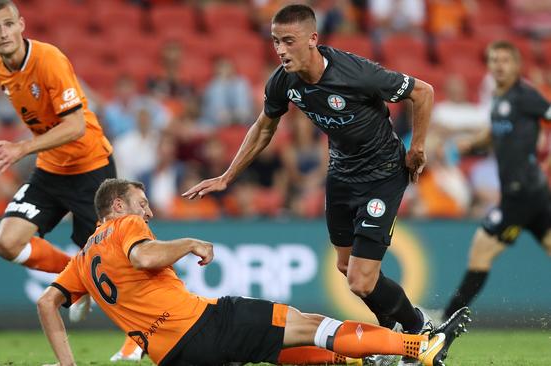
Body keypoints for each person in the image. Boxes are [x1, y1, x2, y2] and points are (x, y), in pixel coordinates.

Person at [183, 5, 434, 365]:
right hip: (341, 175)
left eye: (288, 41)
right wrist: (227, 176)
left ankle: (417, 326)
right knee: (346, 268)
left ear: (313, 39)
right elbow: (264, 126)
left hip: (382, 175)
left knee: (362, 281)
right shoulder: (284, 81)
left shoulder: (356, 72)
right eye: (275, 42)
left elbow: (423, 92)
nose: (281, 50)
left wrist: (418, 147)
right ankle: (391, 328)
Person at [37, 178, 470, 366]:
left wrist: (67, 361)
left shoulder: (81, 260)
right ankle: (420, 346)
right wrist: (189, 243)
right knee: (312, 324)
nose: (147, 210)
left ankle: (363, 360)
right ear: (117, 206)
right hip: (202, 324)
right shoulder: (124, 227)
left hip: (170, 356)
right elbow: (145, 258)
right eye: (140, 201)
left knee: (280, 349)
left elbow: (47, 302)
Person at [0, 0, 138, 361]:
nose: (3, 33)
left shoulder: (49, 59)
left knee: (111, 262)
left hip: (90, 167)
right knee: (6, 242)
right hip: (50, 170)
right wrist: (31, 150)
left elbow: (76, 125)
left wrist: (23, 148)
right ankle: (77, 282)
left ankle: (136, 339)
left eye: (8, 24)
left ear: (21, 24)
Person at [442, 41, 551, 319]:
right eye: (494, 60)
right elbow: (494, 131)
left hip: (521, 193)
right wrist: (472, 143)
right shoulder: (499, 99)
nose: (499, 66)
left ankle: (446, 320)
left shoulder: (526, 96)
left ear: (516, 65)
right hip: (534, 192)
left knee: (480, 251)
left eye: (505, 60)